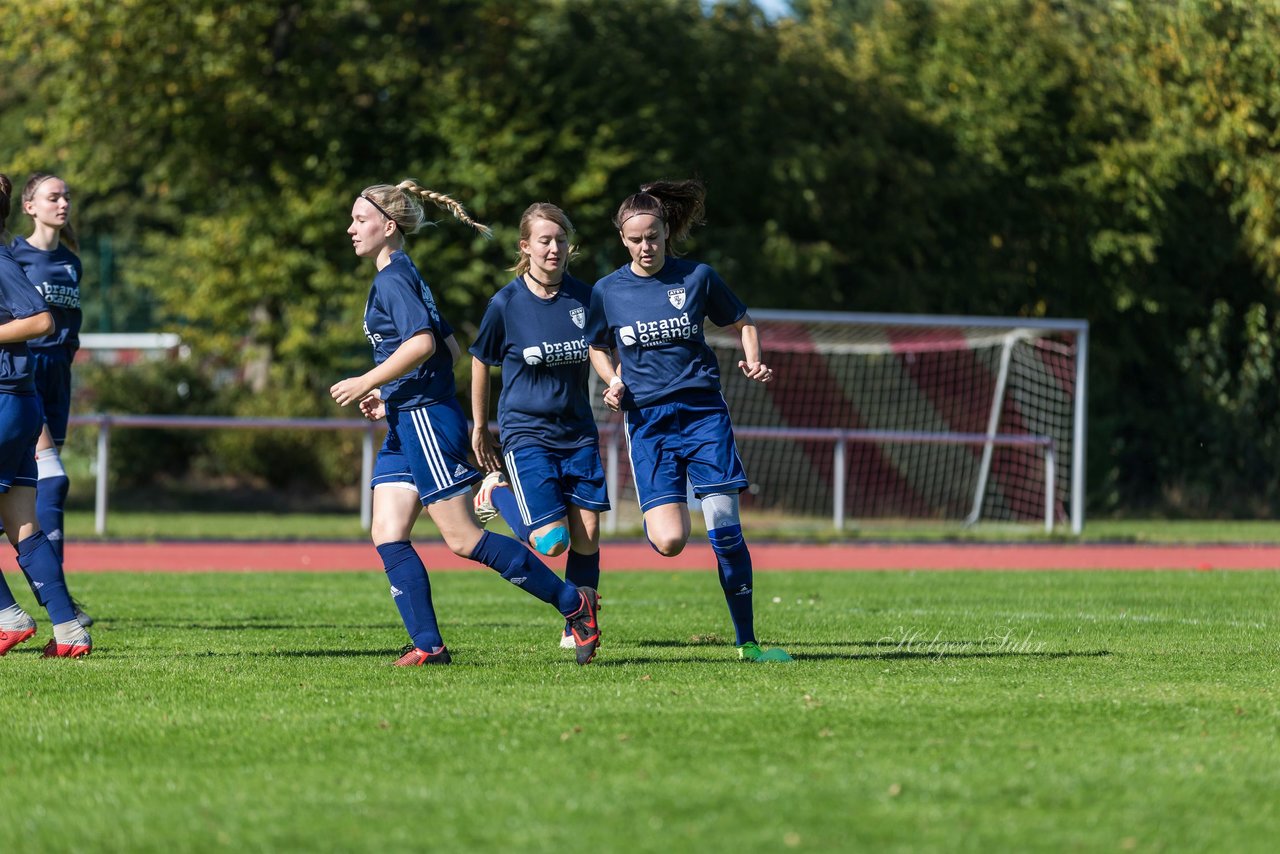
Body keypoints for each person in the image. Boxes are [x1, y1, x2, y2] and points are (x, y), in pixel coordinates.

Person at [331, 180, 600, 666]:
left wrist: (365, 379)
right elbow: (450, 348)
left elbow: (423, 346)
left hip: (425, 422)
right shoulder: (404, 272)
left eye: (359, 219)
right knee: (387, 531)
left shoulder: (392, 278)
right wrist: (386, 390)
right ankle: (429, 646)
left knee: (463, 539)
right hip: (405, 417)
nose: (351, 228)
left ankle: (573, 603)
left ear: (388, 226)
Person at [584, 178, 791, 663]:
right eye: (635, 239)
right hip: (649, 424)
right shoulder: (607, 291)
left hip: (703, 415)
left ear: (665, 232)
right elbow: (597, 345)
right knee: (671, 540)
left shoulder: (697, 276)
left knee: (724, 526)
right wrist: (613, 379)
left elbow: (743, 322)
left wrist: (753, 358)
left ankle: (748, 643)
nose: (645, 246)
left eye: (652, 236)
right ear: (622, 238)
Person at [469, 203, 609, 650]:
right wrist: (479, 426)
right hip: (526, 433)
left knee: (586, 535)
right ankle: (496, 491)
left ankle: (576, 626)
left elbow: (606, 351)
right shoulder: (506, 303)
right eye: (544, 240)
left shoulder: (586, 299)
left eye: (561, 240)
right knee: (551, 543)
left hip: (579, 432)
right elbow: (480, 360)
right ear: (525, 246)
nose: (554, 248)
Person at [0, 172, 92, 658]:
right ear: (28, 207)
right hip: (23, 381)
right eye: (53, 196)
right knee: (31, 502)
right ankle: (64, 619)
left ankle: (18, 613)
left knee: (36, 490)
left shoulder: (58, 263)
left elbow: (47, 321)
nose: (63, 203)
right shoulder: (14, 256)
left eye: (66, 196)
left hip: (27, 386)